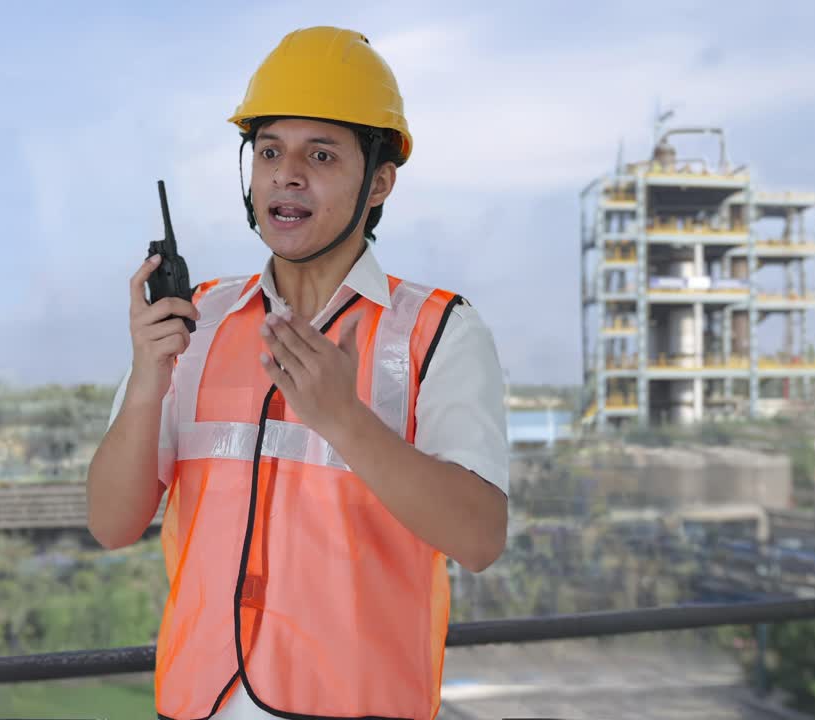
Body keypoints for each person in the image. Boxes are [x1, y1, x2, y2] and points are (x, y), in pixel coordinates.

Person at [86, 26, 509, 720]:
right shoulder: (194, 322)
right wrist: (145, 378)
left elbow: (480, 538)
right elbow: (110, 524)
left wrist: (344, 419)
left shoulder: (438, 333)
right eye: (270, 151)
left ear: (379, 182)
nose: (287, 174)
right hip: (200, 704)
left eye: (321, 154)